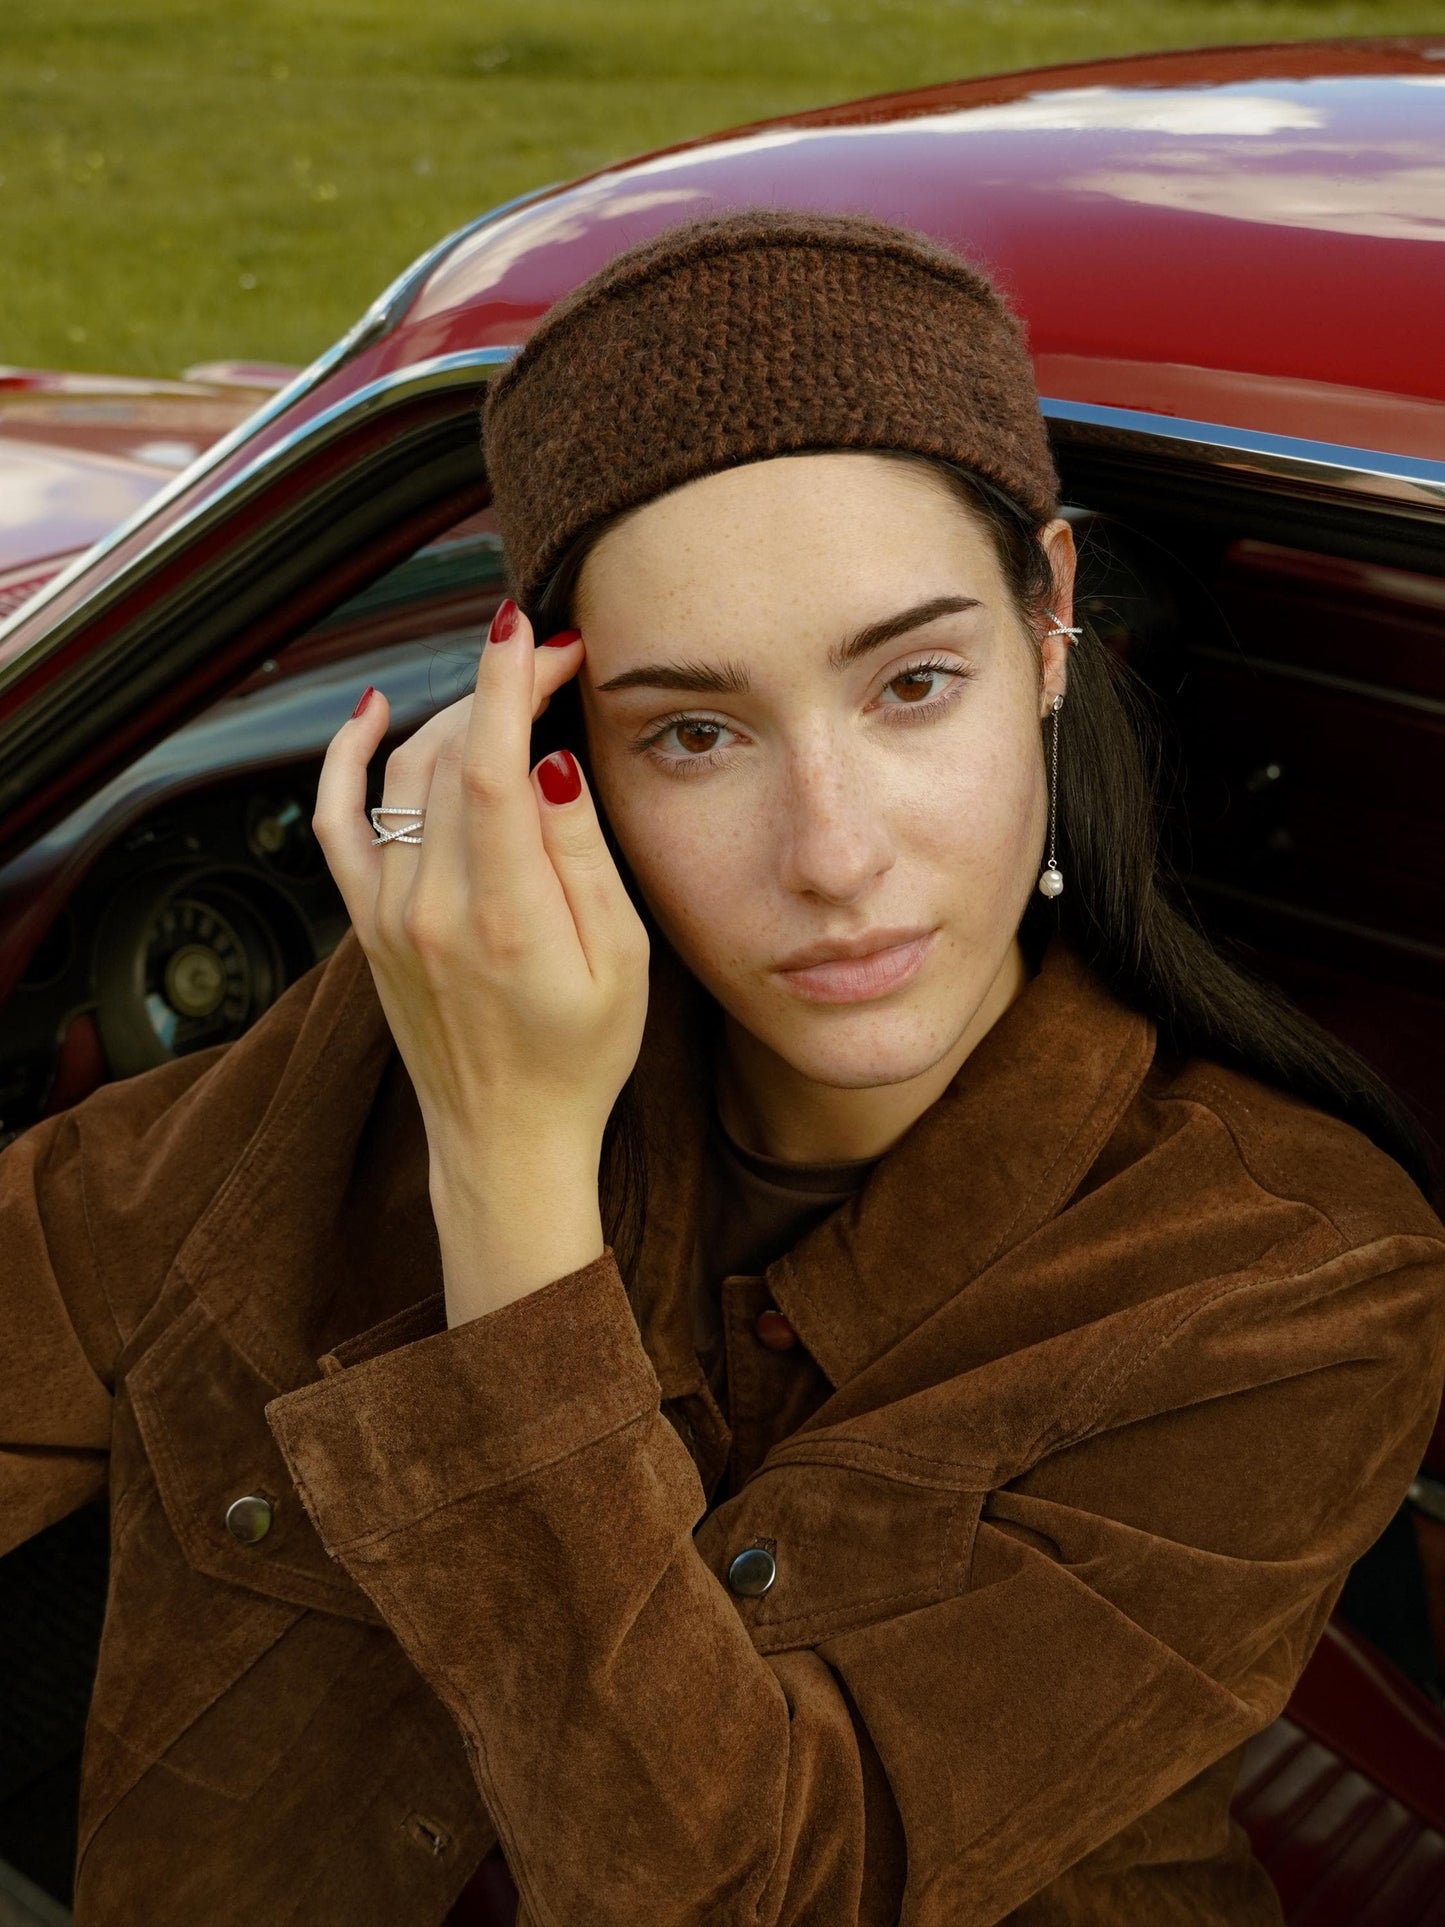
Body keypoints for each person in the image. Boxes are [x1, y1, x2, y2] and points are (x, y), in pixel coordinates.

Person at [4, 207, 1444, 1927]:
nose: (830, 855)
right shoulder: (400, 1047)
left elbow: (742, 1890)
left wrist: (511, 1175)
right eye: (693, 734)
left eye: (913, 684)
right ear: (565, 748)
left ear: (1048, 623)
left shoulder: (1293, 1275)